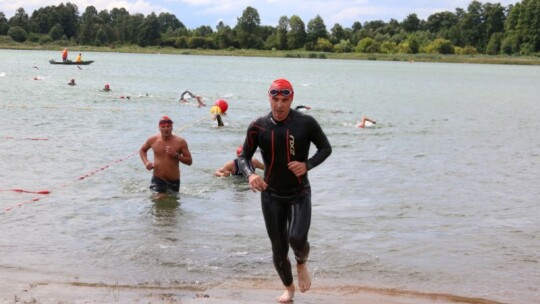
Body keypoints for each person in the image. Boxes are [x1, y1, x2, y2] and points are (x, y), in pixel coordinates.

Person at [237, 78, 332, 303]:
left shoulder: (305, 123)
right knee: (279, 249)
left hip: (299, 192)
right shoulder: (258, 126)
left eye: (284, 100)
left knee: (297, 239)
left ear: (291, 100)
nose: (279, 105)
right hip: (271, 195)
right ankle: (289, 289)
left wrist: (307, 164)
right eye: (275, 99)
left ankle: (301, 262)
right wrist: (251, 175)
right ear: (268, 98)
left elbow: (325, 148)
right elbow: (243, 157)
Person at [139, 116, 193, 199]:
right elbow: (142, 150)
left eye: (168, 126)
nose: (166, 129)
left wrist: (176, 155)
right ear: (159, 128)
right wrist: (146, 162)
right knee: (160, 197)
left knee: (172, 206)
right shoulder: (153, 140)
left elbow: (189, 161)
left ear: (172, 127)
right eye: (163, 127)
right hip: (158, 179)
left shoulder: (180, 142)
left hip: (174, 180)